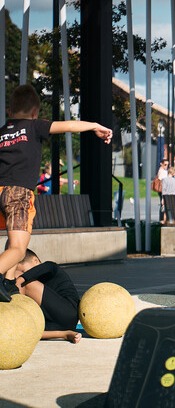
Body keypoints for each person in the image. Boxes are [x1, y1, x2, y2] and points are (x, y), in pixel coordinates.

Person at [0, 84, 112, 302]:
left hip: (1, 191)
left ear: (9, 113)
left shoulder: (3, 132)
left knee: (14, 241)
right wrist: (94, 126)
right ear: (35, 113)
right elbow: (68, 125)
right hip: (18, 193)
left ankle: (8, 281)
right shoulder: (34, 126)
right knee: (17, 249)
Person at [11, 249, 81, 342]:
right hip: (59, 326)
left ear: (35, 260)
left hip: (68, 311)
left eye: (24, 271)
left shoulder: (51, 267)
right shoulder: (37, 288)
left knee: (15, 275)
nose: (24, 274)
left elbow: (47, 267)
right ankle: (65, 334)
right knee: (25, 331)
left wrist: (19, 280)